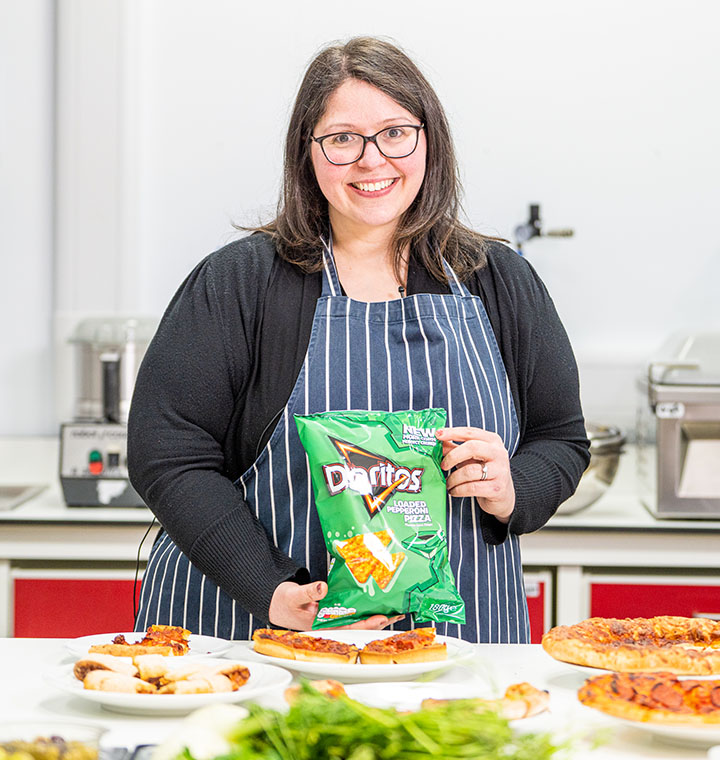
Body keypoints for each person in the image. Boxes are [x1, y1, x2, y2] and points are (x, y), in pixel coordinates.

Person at [128, 36, 590, 644]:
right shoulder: (240, 281)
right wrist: (267, 587)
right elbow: (169, 455)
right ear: (308, 153)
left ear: (430, 141)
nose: (372, 161)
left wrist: (513, 489)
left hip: (454, 637)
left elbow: (560, 440)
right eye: (342, 139)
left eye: (396, 132)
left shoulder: (497, 279)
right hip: (254, 631)